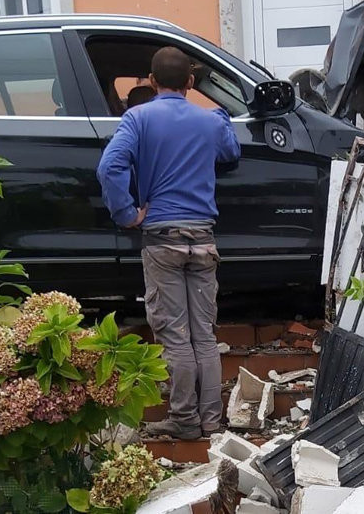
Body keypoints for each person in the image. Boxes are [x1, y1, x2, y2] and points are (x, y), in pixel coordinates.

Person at [97, 47, 241, 440]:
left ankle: (184, 421)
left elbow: (109, 167)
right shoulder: (208, 122)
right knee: (204, 336)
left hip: (162, 240)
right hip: (203, 240)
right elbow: (231, 152)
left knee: (175, 336)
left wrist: (126, 213)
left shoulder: (137, 118)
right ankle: (211, 422)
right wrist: (221, 117)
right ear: (191, 83)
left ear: (152, 82)